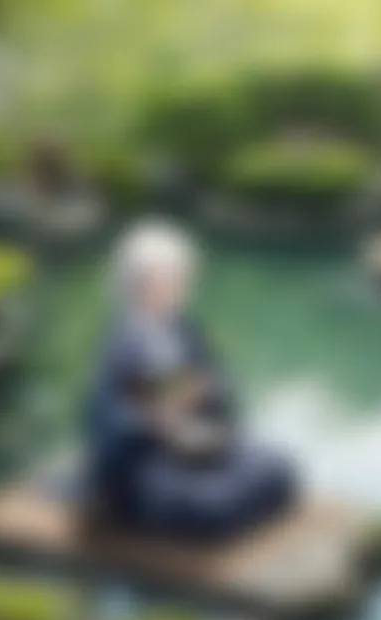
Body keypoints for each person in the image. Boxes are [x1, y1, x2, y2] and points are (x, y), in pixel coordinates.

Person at [86, 220, 296, 541]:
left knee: (277, 468)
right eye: (174, 278)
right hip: (147, 467)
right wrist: (150, 420)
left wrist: (206, 395)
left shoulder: (183, 330)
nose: (184, 285)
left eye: (183, 276)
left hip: (197, 449)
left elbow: (218, 385)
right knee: (214, 507)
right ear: (142, 283)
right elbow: (109, 427)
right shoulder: (121, 343)